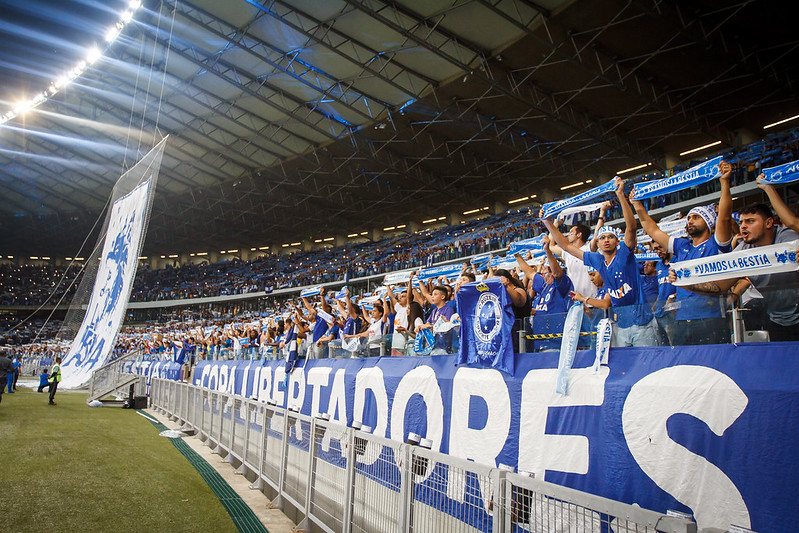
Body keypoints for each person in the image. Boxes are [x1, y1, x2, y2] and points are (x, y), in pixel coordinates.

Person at [630, 160, 734, 345]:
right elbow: (652, 230)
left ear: (709, 223)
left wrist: (724, 182)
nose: (690, 221)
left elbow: (725, 218)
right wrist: (637, 205)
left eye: (696, 217)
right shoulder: (683, 246)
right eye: (688, 218)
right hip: (681, 319)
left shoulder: (716, 244)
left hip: (709, 319)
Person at [545, 177, 656, 347]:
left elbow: (631, 228)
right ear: (597, 243)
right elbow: (566, 246)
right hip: (621, 326)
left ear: (617, 241)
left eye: (610, 237)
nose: (606, 240)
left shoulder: (624, 255)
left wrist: (620, 195)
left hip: (642, 324)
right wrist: (548, 223)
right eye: (602, 237)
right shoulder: (597, 260)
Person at [678, 202, 799, 341]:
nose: (743, 226)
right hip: (778, 320)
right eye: (741, 222)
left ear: (769, 223)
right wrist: (684, 283)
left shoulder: (790, 238)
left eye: (750, 221)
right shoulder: (743, 250)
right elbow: (719, 286)